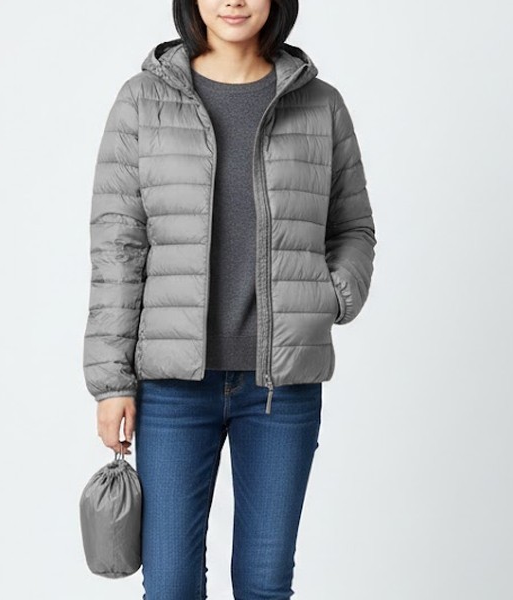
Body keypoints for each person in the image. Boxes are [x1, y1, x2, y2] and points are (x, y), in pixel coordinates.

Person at [83, 0, 376, 597]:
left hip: (281, 388)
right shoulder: (142, 100)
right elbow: (118, 247)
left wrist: (329, 298)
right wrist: (112, 383)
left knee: (264, 584)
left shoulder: (320, 104)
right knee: (171, 585)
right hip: (171, 389)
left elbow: (353, 228)